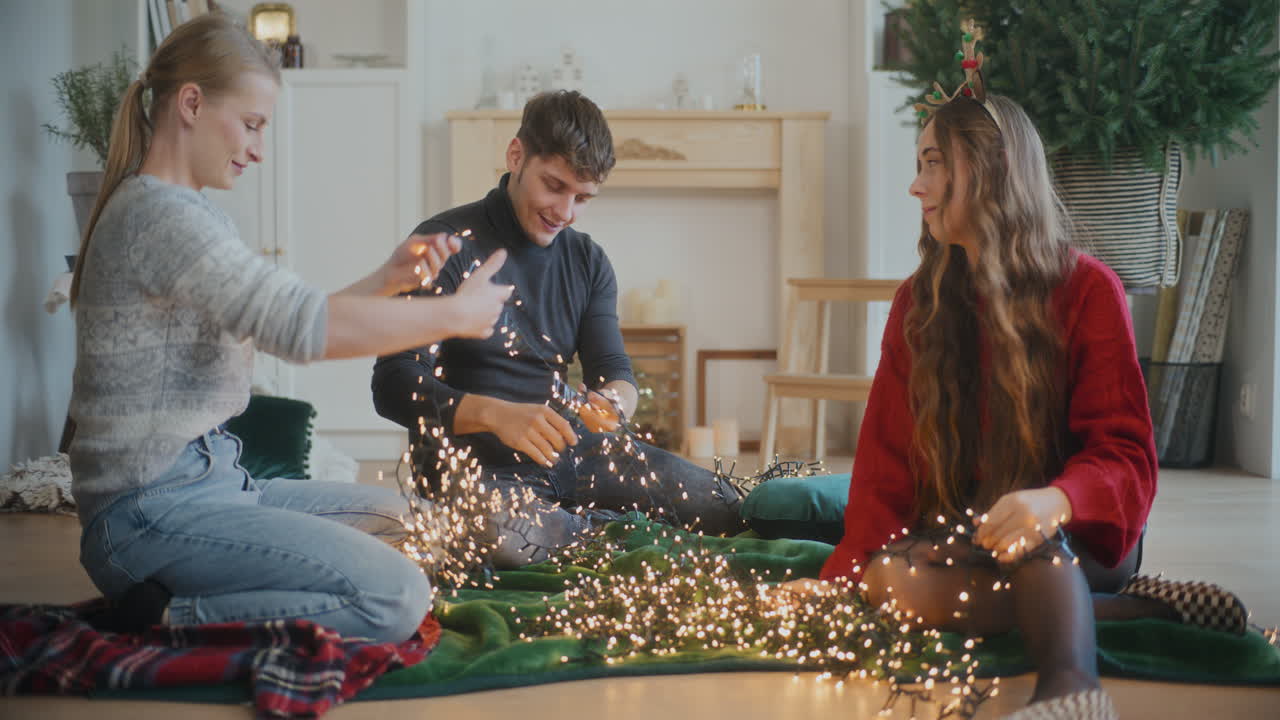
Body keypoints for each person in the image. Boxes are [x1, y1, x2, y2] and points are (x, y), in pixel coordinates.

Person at [797, 89, 1249, 719]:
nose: (915, 186)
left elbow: (1125, 456)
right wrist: (843, 577)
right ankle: (1139, 610)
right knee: (889, 580)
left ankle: (1072, 693)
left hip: (1076, 533)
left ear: (987, 172)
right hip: (971, 532)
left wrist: (1056, 500)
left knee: (1029, 543)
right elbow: (885, 466)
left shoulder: (1088, 288)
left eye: (932, 164)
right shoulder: (917, 305)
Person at [69, 12, 512, 644]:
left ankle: (243, 584)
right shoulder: (159, 219)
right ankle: (165, 615)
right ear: (191, 103)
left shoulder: (191, 215)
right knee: (399, 597)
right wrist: (454, 315)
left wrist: (387, 277)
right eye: (250, 125)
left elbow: (276, 318)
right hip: (147, 516)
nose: (257, 148)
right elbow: (303, 330)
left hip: (219, 486)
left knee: (415, 522)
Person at [372, 91, 746, 570]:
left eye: (583, 198)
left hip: (573, 453)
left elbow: (614, 370)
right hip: (475, 470)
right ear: (516, 156)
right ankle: (619, 533)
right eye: (554, 186)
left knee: (725, 504)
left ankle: (582, 528)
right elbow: (391, 384)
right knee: (499, 533)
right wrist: (497, 415)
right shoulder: (443, 245)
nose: (565, 211)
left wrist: (615, 403)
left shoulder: (587, 260)